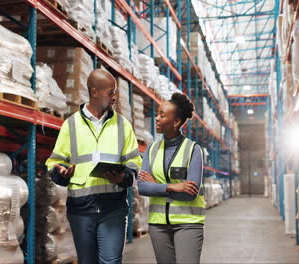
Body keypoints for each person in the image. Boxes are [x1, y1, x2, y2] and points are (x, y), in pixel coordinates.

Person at [46, 69, 142, 264]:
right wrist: (61, 173)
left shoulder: (123, 126)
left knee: (111, 261)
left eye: (115, 92)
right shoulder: (71, 125)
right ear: (94, 92)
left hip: (113, 207)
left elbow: (134, 162)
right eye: (111, 92)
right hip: (81, 210)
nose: (114, 97)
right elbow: (54, 161)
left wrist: (123, 178)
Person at [138, 92, 205, 264]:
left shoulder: (193, 150)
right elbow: (143, 187)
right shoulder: (151, 150)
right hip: (158, 225)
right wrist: (172, 187)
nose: (157, 118)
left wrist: (157, 186)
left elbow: (190, 192)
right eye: (157, 114)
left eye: (162, 115)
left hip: (187, 223)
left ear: (176, 122)